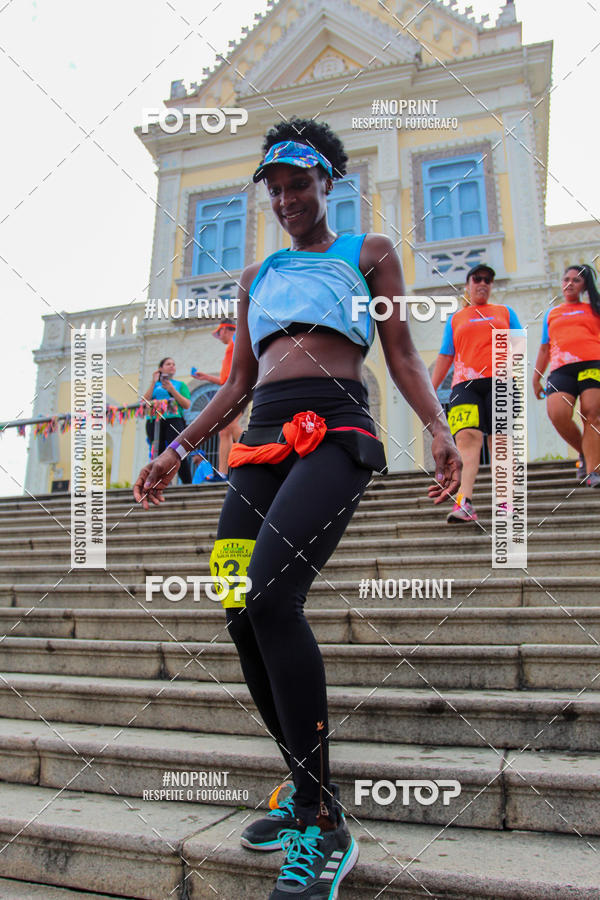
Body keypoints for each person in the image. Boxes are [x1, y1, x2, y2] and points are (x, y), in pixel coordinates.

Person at [134, 118, 461, 899]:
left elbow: (404, 355)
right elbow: (236, 383)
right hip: (259, 441)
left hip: (335, 425)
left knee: (274, 598)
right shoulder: (256, 276)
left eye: (298, 184)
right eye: (274, 189)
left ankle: (320, 824)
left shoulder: (368, 253)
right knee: (236, 603)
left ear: (326, 183)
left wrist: (439, 428)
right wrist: (178, 450)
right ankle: (306, 788)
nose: (285, 199)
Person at [430, 264, 523, 522]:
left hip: (501, 383)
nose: (483, 283)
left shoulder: (505, 312)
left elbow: (519, 344)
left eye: (488, 280)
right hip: (465, 385)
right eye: (477, 278)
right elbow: (446, 355)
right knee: (466, 440)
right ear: (468, 284)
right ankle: (464, 503)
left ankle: (506, 504)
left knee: (500, 442)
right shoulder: (456, 318)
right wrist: (430, 389)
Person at [533, 264, 600, 487]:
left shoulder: (595, 309)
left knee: (591, 414)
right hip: (561, 369)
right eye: (566, 279)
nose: (570, 284)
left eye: (576, 280)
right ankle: (586, 452)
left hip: (592, 364)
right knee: (557, 413)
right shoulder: (552, 313)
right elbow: (545, 348)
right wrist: (536, 377)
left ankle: (592, 472)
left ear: (584, 286)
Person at [192, 319, 242, 480]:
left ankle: (255, 454)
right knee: (225, 431)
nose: (219, 337)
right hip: (231, 389)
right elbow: (223, 380)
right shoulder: (232, 345)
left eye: (219, 333)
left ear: (225, 329)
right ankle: (223, 473)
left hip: (235, 390)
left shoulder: (237, 339)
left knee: (230, 427)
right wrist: (206, 377)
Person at [142, 357, 192, 484]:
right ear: (160, 368)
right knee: (157, 452)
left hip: (174, 420)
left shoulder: (180, 385)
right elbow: (144, 402)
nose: (172, 366)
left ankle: (187, 482)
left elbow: (186, 404)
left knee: (177, 450)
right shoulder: (155, 385)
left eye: (173, 364)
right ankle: (158, 483)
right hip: (155, 421)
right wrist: (153, 382)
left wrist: (172, 390)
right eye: (168, 364)